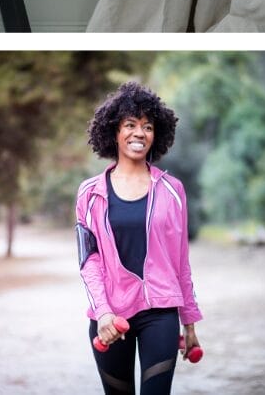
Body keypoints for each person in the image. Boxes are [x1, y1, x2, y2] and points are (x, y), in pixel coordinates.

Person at [76, 81, 203, 395]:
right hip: (110, 316)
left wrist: (189, 321)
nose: (139, 133)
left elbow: (180, 262)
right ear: (114, 132)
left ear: (156, 134)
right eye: (130, 124)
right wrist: (103, 312)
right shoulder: (89, 193)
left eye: (147, 126)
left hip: (160, 313)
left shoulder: (173, 190)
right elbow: (88, 260)